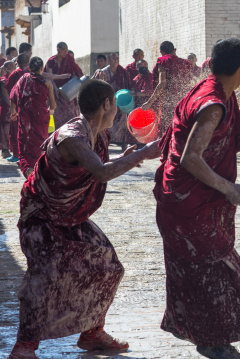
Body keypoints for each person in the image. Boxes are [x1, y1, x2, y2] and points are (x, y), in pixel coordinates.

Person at [8, 79, 162, 359]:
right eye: (114, 104)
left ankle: (92, 333)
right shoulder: (73, 136)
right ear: (106, 105)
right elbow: (102, 173)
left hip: (69, 215)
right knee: (45, 276)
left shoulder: (98, 134)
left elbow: (101, 166)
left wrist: (127, 157)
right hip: (42, 216)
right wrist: (143, 152)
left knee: (109, 266)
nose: (117, 111)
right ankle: (24, 347)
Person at [154, 38, 240, 359]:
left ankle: (210, 339)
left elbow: (217, 140)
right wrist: (230, 189)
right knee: (214, 272)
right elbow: (191, 157)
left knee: (203, 272)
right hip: (187, 204)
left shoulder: (220, 94)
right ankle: (213, 342)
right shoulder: (213, 104)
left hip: (187, 202)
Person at [10, 57, 56, 178]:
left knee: (25, 146)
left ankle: (28, 169)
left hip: (25, 119)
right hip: (41, 119)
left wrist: (13, 112)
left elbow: (13, 96)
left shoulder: (23, 79)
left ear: (29, 68)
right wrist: (50, 110)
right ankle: (37, 169)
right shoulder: (47, 83)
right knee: (39, 145)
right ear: (42, 68)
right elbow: (53, 105)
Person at [141, 41, 193, 135]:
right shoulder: (186, 63)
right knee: (181, 128)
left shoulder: (163, 61)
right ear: (174, 50)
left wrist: (149, 102)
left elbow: (162, 84)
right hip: (184, 101)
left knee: (166, 130)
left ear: (161, 52)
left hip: (168, 100)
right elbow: (190, 84)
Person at [92, 52, 134, 149]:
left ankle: (123, 142)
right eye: (113, 59)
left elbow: (128, 85)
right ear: (108, 61)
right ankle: (106, 141)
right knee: (106, 120)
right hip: (107, 101)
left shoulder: (123, 72)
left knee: (123, 121)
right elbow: (96, 85)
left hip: (120, 100)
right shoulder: (102, 72)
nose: (115, 61)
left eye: (116, 60)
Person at [44, 42, 84, 130]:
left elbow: (77, 71)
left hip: (68, 91)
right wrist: (55, 89)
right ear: (58, 50)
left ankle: (71, 130)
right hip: (55, 92)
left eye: (66, 50)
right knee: (56, 114)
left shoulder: (69, 59)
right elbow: (49, 77)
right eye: (63, 50)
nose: (65, 52)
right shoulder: (51, 61)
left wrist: (75, 82)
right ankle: (56, 132)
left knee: (70, 114)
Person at [4, 53, 30, 163]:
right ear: (28, 62)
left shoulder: (15, 74)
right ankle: (28, 154)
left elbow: (8, 90)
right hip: (30, 107)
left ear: (17, 62)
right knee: (28, 131)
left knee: (16, 131)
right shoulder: (31, 73)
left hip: (17, 107)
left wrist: (11, 107)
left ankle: (16, 155)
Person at [0, 60, 16, 159]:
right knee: (5, 130)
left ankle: (11, 150)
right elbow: (5, 96)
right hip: (6, 108)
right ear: (6, 69)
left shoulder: (13, 77)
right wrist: (12, 107)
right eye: (12, 66)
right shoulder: (3, 80)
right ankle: (5, 150)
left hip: (13, 106)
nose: (14, 68)